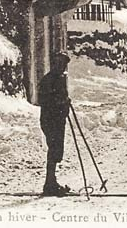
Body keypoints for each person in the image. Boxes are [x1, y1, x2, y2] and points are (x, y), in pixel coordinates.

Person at [38, 51, 72, 196]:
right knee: (53, 150)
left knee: (57, 151)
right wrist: (60, 102)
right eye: (58, 62)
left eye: (63, 63)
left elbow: (62, 96)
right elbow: (44, 101)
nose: (61, 66)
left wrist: (65, 103)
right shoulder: (48, 80)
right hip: (50, 120)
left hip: (59, 120)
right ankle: (49, 184)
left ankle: (51, 182)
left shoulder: (60, 78)